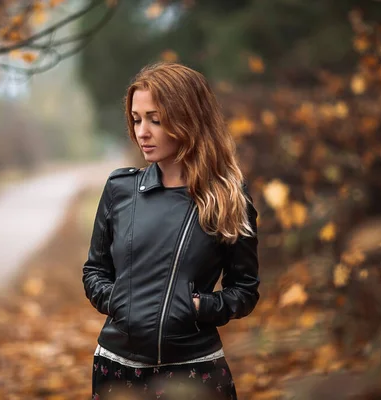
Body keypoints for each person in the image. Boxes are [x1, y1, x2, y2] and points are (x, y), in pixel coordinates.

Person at [82, 62, 259, 400]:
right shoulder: (121, 189)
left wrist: (197, 307)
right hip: (117, 369)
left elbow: (245, 290)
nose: (142, 132)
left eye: (156, 120)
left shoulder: (228, 197)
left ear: (189, 120)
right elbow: (94, 271)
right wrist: (120, 300)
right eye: (136, 119)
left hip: (196, 369)